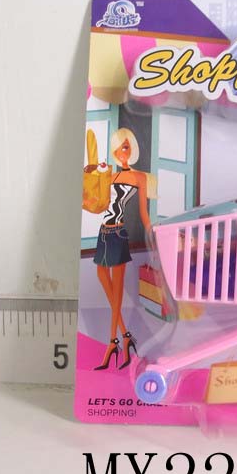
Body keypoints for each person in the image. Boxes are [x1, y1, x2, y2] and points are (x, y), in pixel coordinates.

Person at [84, 128, 151, 370]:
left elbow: (143, 213)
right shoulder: (109, 174)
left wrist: (152, 235)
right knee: (105, 281)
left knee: (117, 291)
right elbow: (98, 203)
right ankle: (125, 336)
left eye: (125, 146)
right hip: (104, 232)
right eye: (118, 147)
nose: (121, 151)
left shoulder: (139, 177)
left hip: (118, 233)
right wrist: (92, 174)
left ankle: (113, 343)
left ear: (132, 148)